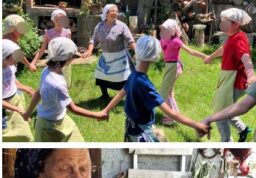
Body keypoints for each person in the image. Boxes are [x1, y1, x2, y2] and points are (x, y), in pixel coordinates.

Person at [102, 35, 209, 141]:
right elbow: (171, 113)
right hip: (142, 132)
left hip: (130, 128)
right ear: (155, 58)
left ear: (136, 52)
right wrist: (196, 125)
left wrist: (106, 110)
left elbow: (121, 93)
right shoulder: (146, 85)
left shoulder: (132, 76)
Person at [23, 38, 108, 142]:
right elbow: (73, 108)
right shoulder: (58, 84)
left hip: (60, 119)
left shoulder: (46, 71)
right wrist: (97, 114)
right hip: (49, 127)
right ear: (65, 59)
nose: (73, 58)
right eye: (72, 56)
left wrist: (27, 113)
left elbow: (38, 93)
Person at [204, 8, 255, 142]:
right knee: (227, 107)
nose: (221, 24)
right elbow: (225, 48)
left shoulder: (239, 39)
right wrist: (211, 57)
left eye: (225, 22)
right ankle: (244, 130)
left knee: (220, 112)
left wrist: (250, 74)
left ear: (236, 24)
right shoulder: (232, 36)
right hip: (227, 79)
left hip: (235, 82)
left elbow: (245, 57)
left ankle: (226, 141)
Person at [158, 19, 206, 125]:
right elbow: (162, 52)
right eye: (163, 28)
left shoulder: (176, 41)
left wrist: (204, 56)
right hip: (168, 67)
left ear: (171, 30)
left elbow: (191, 51)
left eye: (165, 28)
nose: (163, 30)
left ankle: (172, 117)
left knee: (163, 93)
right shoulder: (162, 39)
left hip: (175, 66)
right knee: (169, 92)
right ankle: (175, 115)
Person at [82, 4, 137, 100]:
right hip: (106, 56)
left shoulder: (122, 26)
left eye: (116, 11)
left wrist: (137, 51)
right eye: (112, 11)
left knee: (123, 78)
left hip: (119, 57)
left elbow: (130, 40)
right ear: (106, 13)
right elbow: (93, 40)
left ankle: (127, 96)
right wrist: (89, 50)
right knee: (101, 76)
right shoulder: (99, 26)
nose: (115, 13)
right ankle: (105, 95)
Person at [31, 9, 74, 87]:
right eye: (57, 19)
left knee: (64, 84)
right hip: (53, 62)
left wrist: (69, 61)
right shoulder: (48, 33)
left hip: (65, 62)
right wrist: (33, 63)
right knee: (53, 83)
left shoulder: (67, 32)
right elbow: (42, 50)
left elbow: (70, 49)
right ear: (53, 20)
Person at [2, 39, 35, 142]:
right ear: (4, 56)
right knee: (5, 137)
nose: (17, 61)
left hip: (15, 101)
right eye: (14, 58)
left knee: (26, 136)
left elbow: (11, 80)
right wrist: (19, 110)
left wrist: (24, 87)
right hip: (3, 110)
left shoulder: (10, 65)